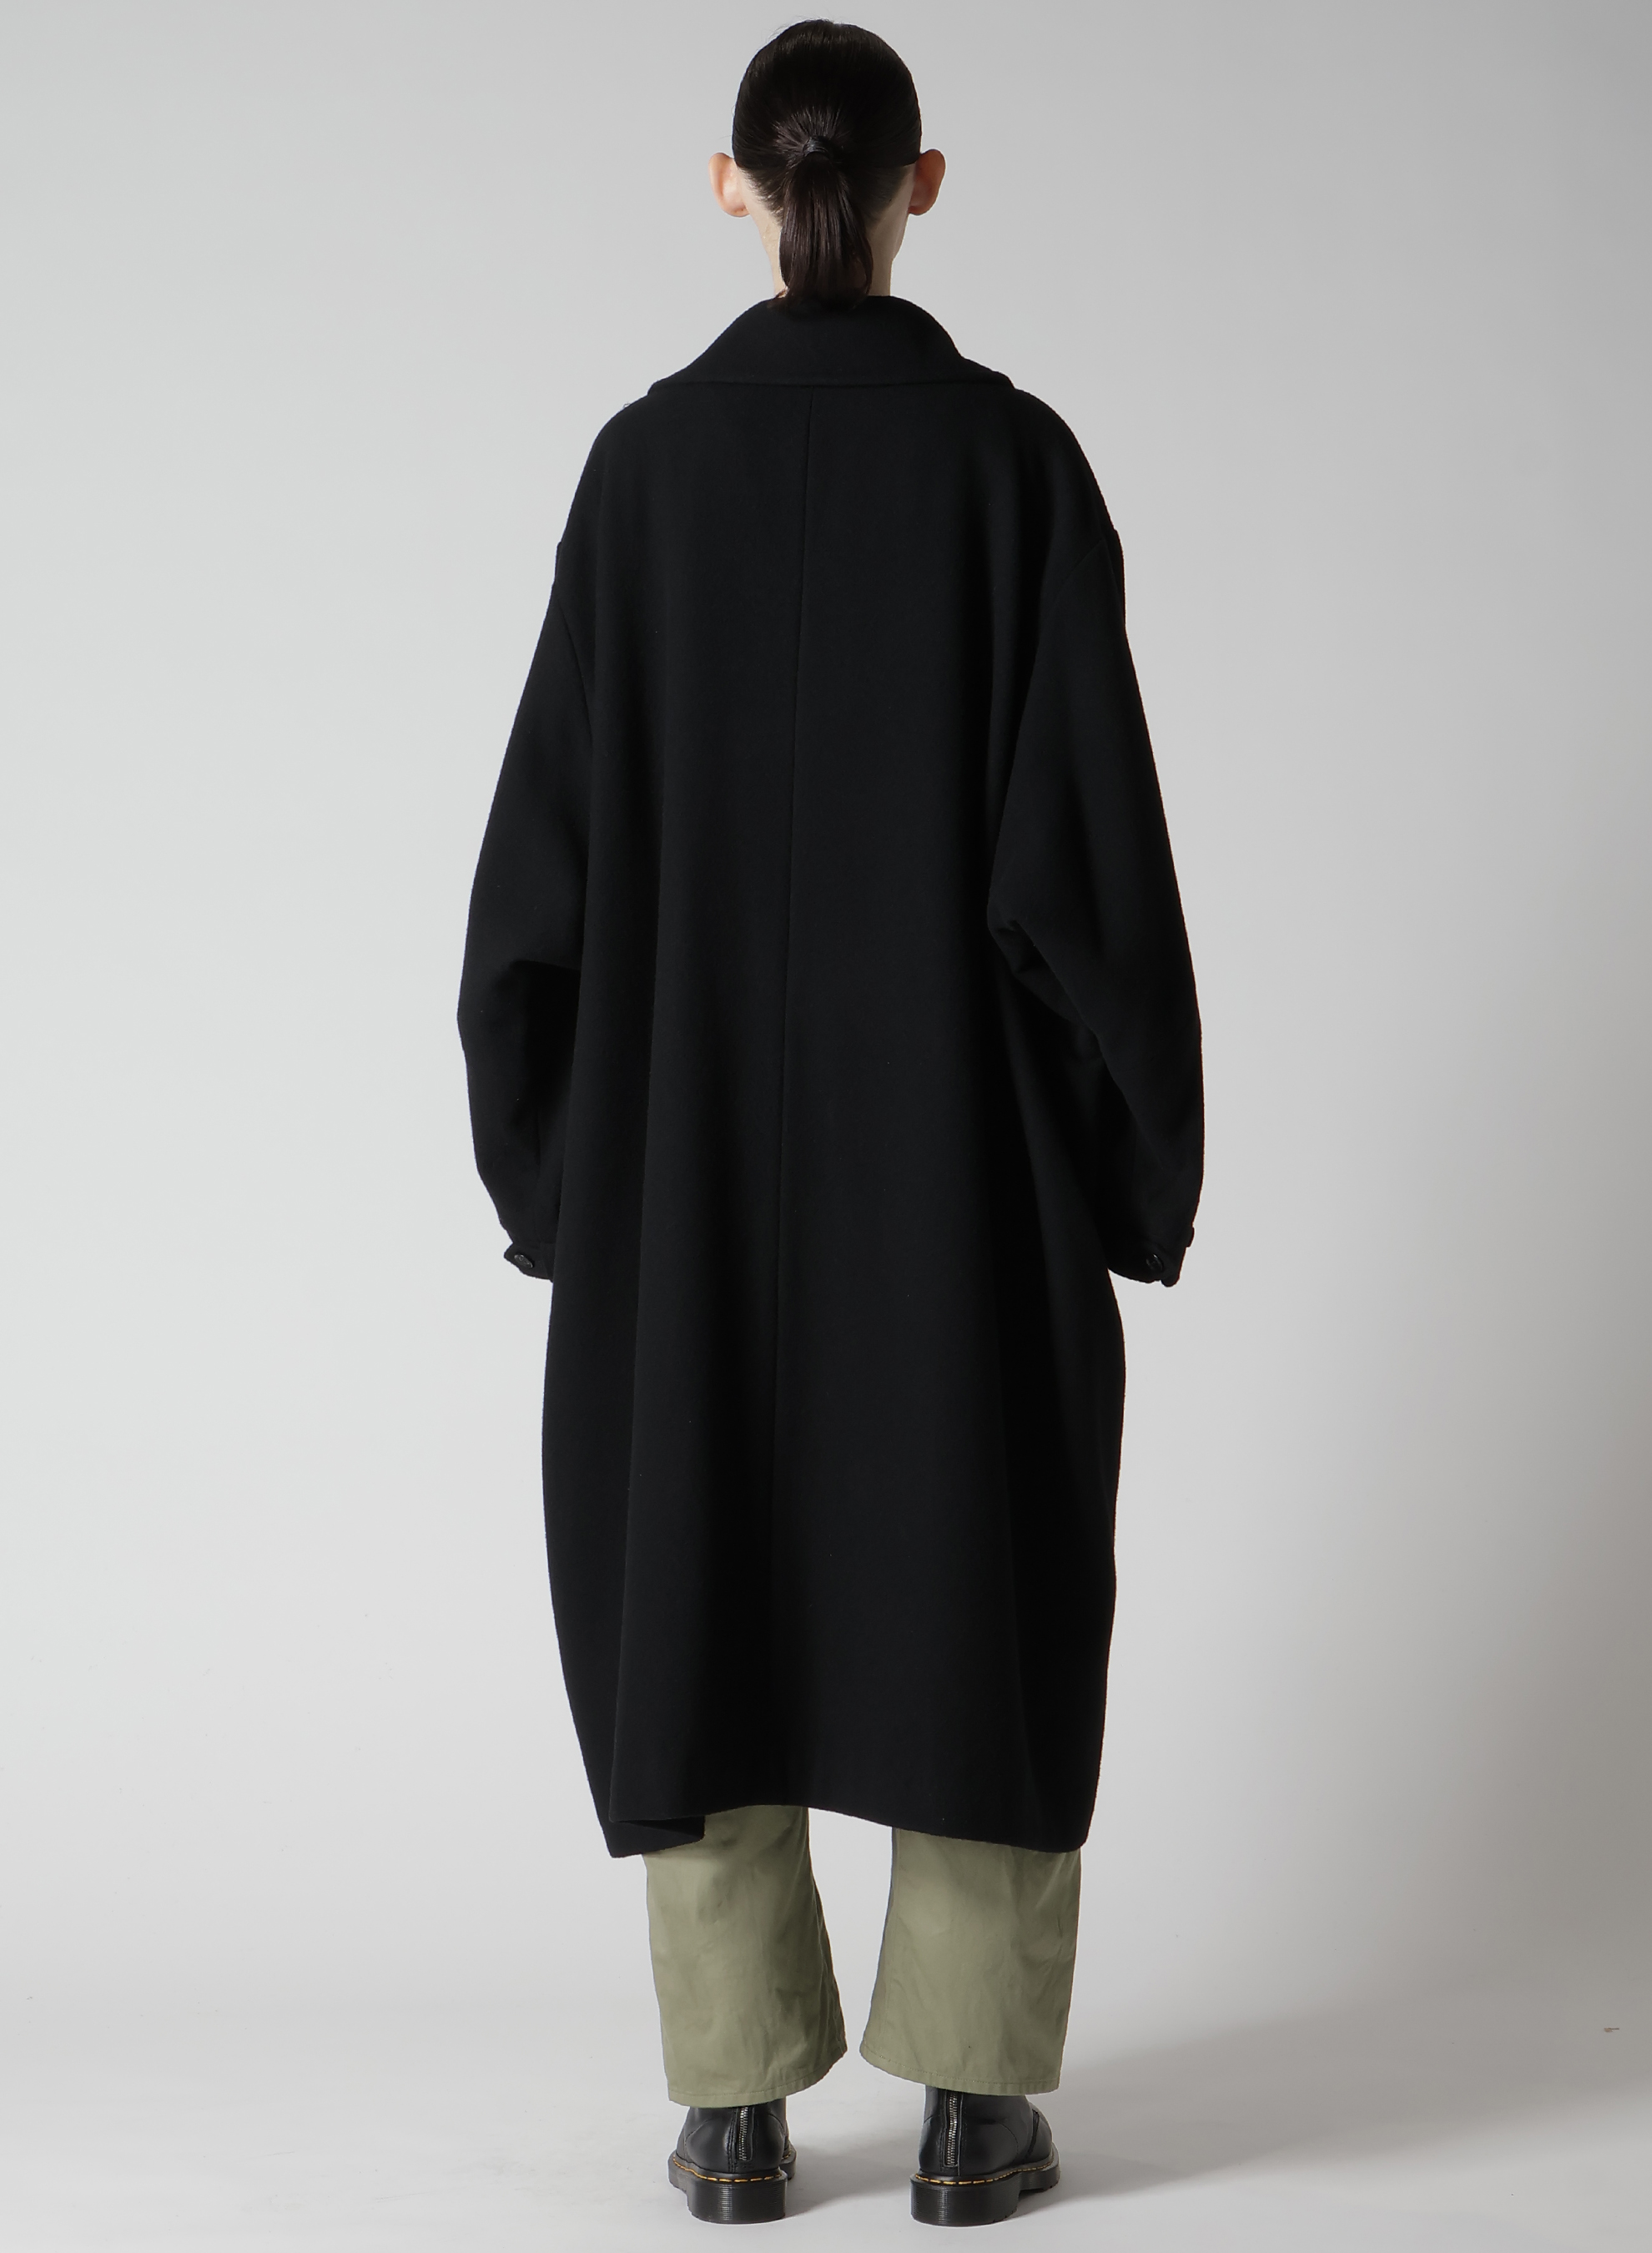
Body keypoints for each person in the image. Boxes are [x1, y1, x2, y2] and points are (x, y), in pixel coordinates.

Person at [458, 17, 1202, 2229]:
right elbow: (1088, 876)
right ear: (917, 185)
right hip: (955, 1169)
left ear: (733, 187)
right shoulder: (1012, 469)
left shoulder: (641, 476)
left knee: (695, 1573)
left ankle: (731, 2107)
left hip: (685, 1175)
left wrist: (561, 1178)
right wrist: (1124, 1170)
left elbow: (533, 885)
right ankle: (974, 2103)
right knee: (976, 1566)